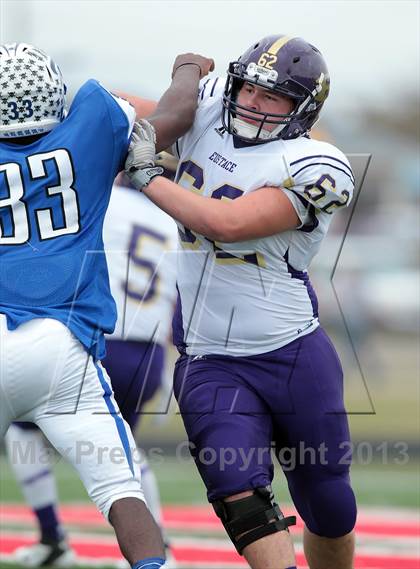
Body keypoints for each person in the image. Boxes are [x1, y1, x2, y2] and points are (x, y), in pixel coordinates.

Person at [121, 35, 357, 569]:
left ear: (303, 109)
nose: (253, 102)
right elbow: (131, 108)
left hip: (293, 353)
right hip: (210, 358)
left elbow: (226, 224)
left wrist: (147, 175)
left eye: (272, 97)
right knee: (235, 489)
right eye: (249, 88)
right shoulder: (209, 110)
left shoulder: (318, 164)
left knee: (328, 504)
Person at [0, 42, 213, 569]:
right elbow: (175, 114)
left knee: (34, 449)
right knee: (121, 487)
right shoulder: (91, 124)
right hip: (65, 346)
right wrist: (187, 67)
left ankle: (51, 538)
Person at [5, 170, 179, 568]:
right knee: (125, 453)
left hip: (92, 336)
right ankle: (161, 551)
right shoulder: (169, 219)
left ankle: (52, 537)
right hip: (148, 352)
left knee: (21, 428)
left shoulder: (93, 196)